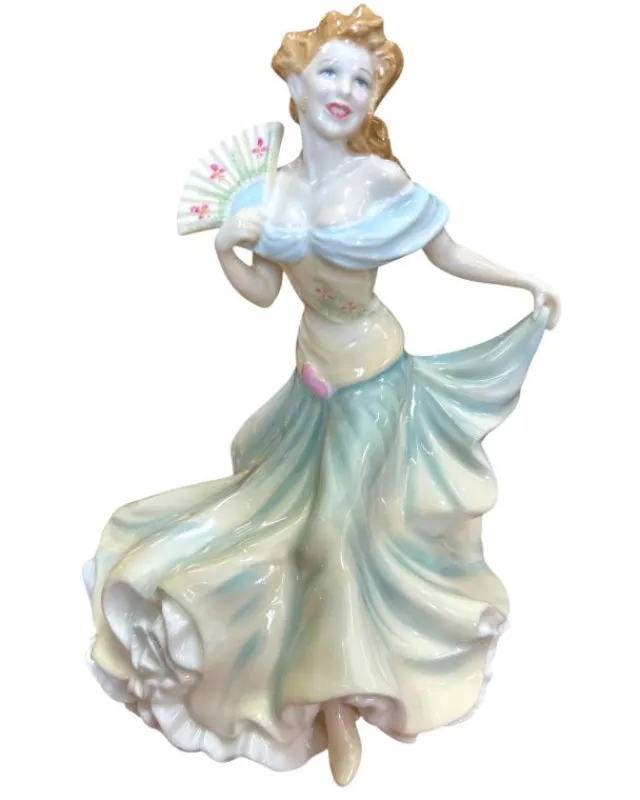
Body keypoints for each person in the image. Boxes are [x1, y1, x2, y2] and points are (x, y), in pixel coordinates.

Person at [84, 5, 561, 787]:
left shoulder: (383, 181)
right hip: (310, 382)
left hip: (374, 382)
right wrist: (227, 248)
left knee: (329, 538)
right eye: (330, 73)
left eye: (362, 80)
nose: (345, 89)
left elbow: (446, 252)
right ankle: (287, 671)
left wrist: (525, 282)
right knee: (270, 514)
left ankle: (336, 702)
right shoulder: (271, 191)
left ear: (374, 100)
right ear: (296, 87)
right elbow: (264, 293)